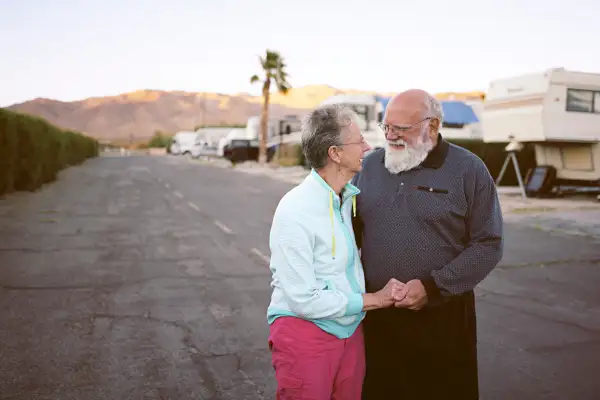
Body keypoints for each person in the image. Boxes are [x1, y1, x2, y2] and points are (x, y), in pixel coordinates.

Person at [352, 89, 504, 400]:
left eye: (401, 129)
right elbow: (349, 232)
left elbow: (488, 243)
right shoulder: (369, 167)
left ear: (432, 126)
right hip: (378, 319)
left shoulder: (468, 169)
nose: (391, 136)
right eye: (386, 127)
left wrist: (434, 288)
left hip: (443, 320)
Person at [267, 104, 406, 400]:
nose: (368, 146)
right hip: (305, 335)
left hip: (349, 330)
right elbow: (304, 299)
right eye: (358, 141)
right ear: (335, 154)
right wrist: (376, 300)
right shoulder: (295, 210)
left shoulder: (345, 198)